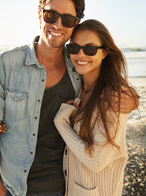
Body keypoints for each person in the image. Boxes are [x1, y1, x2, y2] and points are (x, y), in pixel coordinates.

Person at [0, 0, 137, 196]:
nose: (58, 25)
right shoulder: (7, 63)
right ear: (39, 14)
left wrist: (133, 100)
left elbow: (105, 75)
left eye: (68, 19)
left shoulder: (78, 66)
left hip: (61, 186)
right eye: (51, 15)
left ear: (76, 23)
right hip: (13, 186)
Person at [54, 19, 140, 196]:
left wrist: (61, 123)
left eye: (90, 49)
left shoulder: (113, 97)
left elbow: (96, 160)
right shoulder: (78, 88)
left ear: (105, 53)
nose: (81, 55)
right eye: (74, 48)